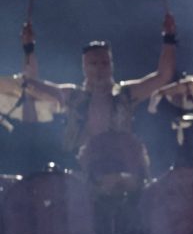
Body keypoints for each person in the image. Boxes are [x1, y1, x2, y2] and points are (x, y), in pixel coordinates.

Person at [22, 13, 177, 171]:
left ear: (111, 65)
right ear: (84, 67)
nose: (99, 69)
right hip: (79, 169)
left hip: (120, 166)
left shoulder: (125, 94)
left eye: (104, 63)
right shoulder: (72, 96)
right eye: (93, 64)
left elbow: (163, 76)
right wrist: (29, 47)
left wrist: (169, 38)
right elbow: (32, 85)